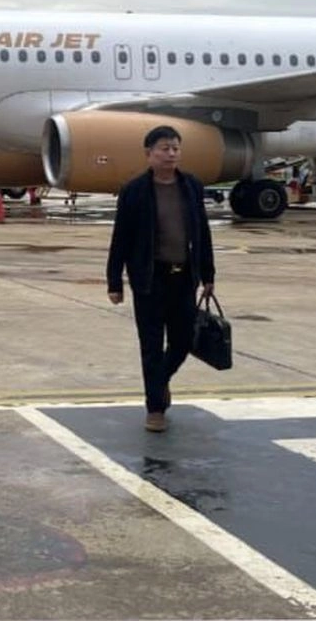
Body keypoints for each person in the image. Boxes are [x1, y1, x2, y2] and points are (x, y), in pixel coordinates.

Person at [106, 125, 215, 433]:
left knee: (182, 342)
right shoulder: (135, 190)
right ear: (149, 153)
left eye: (175, 148)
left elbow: (202, 232)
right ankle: (155, 408)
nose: (171, 154)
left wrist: (208, 274)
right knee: (151, 345)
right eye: (164, 148)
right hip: (150, 280)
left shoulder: (191, 186)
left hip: (184, 279)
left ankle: (160, 381)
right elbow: (121, 238)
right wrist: (114, 280)